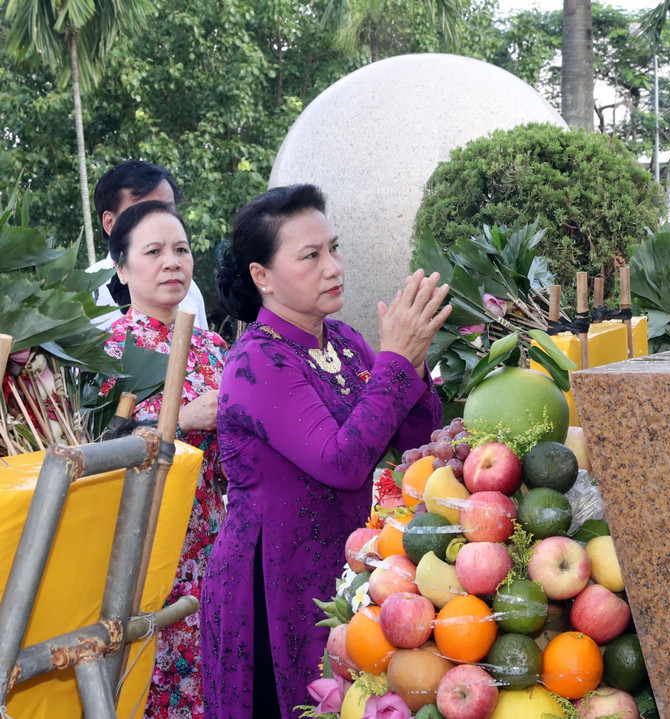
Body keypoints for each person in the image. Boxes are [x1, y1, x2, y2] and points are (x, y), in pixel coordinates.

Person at [201, 184, 451, 717]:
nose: (333, 266)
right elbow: (340, 463)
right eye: (311, 256)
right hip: (273, 580)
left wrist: (413, 361)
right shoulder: (257, 362)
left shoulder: (342, 339)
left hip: (345, 569)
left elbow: (415, 440)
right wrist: (395, 362)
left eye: (333, 249)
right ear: (261, 277)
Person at [101, 200, 227, 718]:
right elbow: (96, 452)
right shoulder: (104, 352)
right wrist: (182, 420)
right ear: (123, 268)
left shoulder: (216, 347)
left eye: (181, 249)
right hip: (145, 551)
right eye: (153, 251)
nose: (172, 261)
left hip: (214, 547)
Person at [89, 160, 208, 330]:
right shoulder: (82, 296)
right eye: (144, 211)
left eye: (168, 208)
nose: (160, 218)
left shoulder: (190, 291)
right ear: (109, 223)